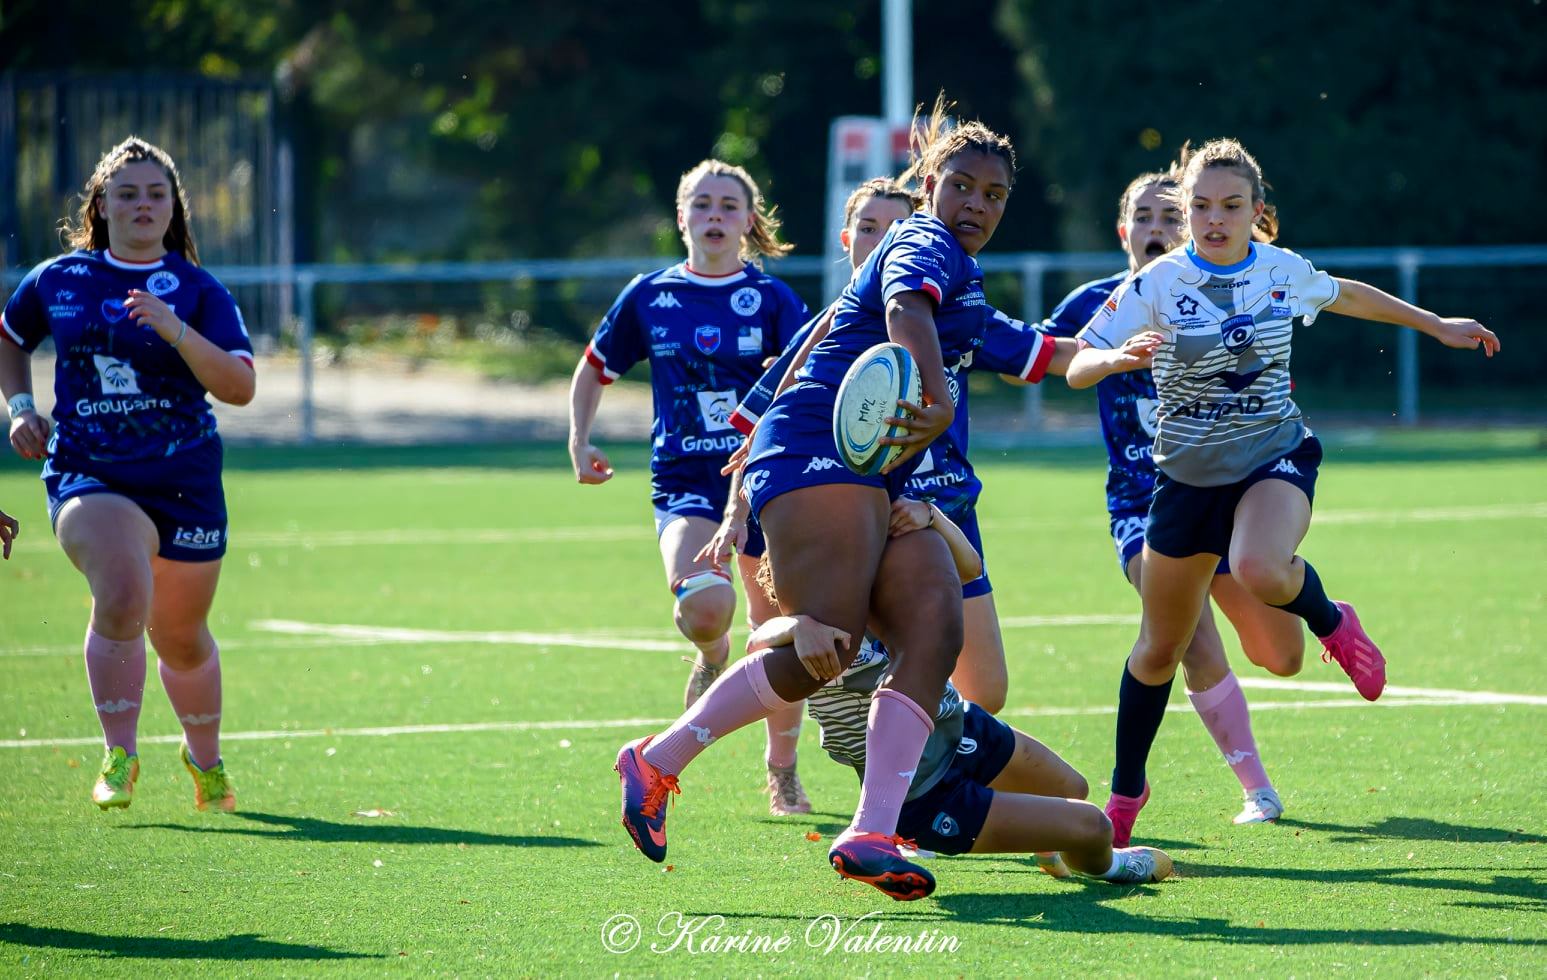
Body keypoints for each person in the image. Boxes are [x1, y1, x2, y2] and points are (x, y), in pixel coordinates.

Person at [614, 98, 1024, 901]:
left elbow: (1029, 347)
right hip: (816, 455)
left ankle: (871, 829)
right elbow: (901, 314)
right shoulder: (923, 241)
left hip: (865, 474)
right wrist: (937, 400)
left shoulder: (957, 269)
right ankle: (657, 761)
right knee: (825, 646)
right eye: (960, 186)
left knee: (930, 623)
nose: (975, 204)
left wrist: (1118, 353)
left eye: (994, 194)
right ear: (927, 187)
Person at [1065, 138, 1500, 846]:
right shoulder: (1156, 283)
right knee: (1157, 650)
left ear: (1255, 211)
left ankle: (1332, 621)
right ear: (1186, 210)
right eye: (1200, 206)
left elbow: (1348, 294)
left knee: (1260, 567)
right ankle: (1125, 793)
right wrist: (1114, 358)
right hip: (1184, 481)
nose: (1214, 219)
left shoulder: (1279, 270)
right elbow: (1077, 365)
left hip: (1272, 457)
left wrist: (1435, 324)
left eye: (1231, 205)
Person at [721, 182, 1069, 718]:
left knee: (982, 692)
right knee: (832, 650)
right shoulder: (834, 328)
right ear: (848, 240)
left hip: (940, 508)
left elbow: (1051, 354)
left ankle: (911, 759)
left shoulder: (959, 308)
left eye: (894, 228)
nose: (886, 240)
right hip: (855, 505)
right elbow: (767, 424)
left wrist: (1128, 344)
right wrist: (735, 512)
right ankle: (795, 755)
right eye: (869, 229)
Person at [1044, 163, 1305, 830]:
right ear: (1122, 230)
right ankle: (1257, 789)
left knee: (1281, 656)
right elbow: (1041, 356)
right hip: (1143, 505)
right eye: (1144, 217)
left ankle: (1315, 601)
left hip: (1227, 489)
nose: (1156, 227)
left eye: (1168, 216)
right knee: (1185, 638)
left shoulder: (1222, 291)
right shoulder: (1098, 303)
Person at [1, 136, 256, 812]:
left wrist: (176, 330)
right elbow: (9, 337)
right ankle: (120, 754)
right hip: (88, 473)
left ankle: (205, 758)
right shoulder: (58, 279)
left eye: (156, 194)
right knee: (121, 592)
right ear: (101, 204)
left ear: (173, 207)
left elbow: (239, 387)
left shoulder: (198, 290)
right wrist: (20, 407)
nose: (143, 204)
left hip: (185, 480)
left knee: (181, 638)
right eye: (128, 193)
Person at [750, 500, 1173, 886]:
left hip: (963, 726)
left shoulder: (874, 570)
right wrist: (796, 626)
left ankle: (1048, 835)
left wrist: (931, 516)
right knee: (1095, 827)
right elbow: (759, 642)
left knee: (1073, 788)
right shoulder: (810, 628)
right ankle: (1110, 866)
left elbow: (969, 569)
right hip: (924, 792)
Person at [568, 159, 813, 815]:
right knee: (706, 607)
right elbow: (593, 368)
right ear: (681, 218)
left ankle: (782, 769)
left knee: (777, 631)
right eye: (702, 204)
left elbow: (810, 377)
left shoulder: (772, 299)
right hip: (683, 481)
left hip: (763, 480)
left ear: (748, 221)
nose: (714, 216)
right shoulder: (650, 295)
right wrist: (579, 440)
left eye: (728, 206)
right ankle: (711, 651)